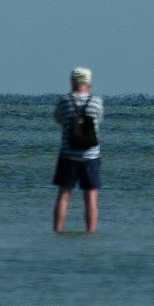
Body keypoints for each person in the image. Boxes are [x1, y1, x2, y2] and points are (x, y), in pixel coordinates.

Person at [52, 67, 104, 232]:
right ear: (89, 82)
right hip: (91, 155)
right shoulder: (96, 102)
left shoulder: (64, 101)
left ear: (72, 81)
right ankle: (91, 231)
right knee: (91, 197)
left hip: (68, 155)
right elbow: (99, 120)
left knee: (64, 195)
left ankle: (58, 230)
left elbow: (58, 119)